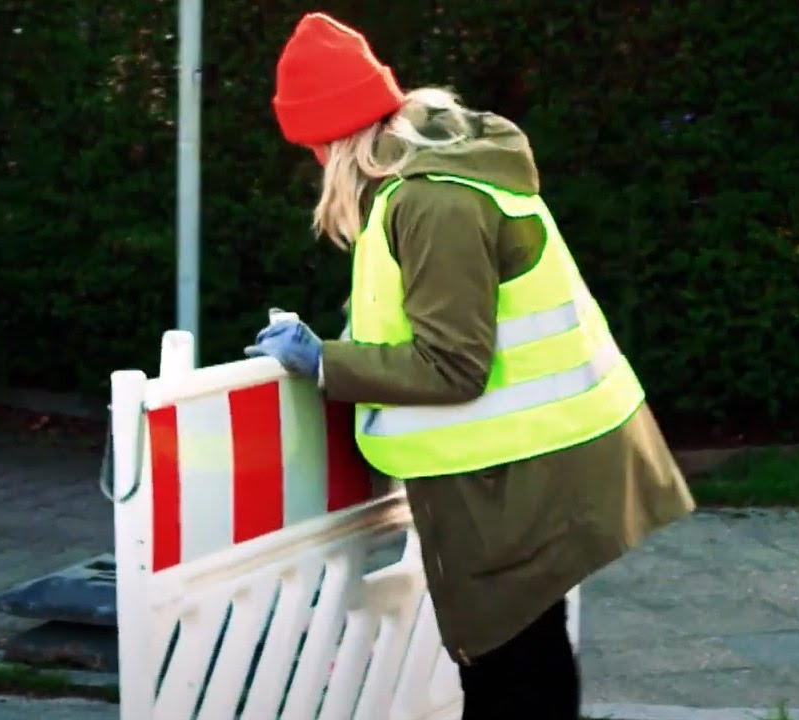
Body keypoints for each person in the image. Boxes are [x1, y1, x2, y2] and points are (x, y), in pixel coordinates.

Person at [245, 12, 697, 719]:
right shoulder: (436, 185)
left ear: (332, 139)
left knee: (509, 675)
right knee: (526, 661)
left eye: (311, 147)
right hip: (525, 465)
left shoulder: (429, 201)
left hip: (515, 479)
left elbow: (454, 364)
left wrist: (323, 362)